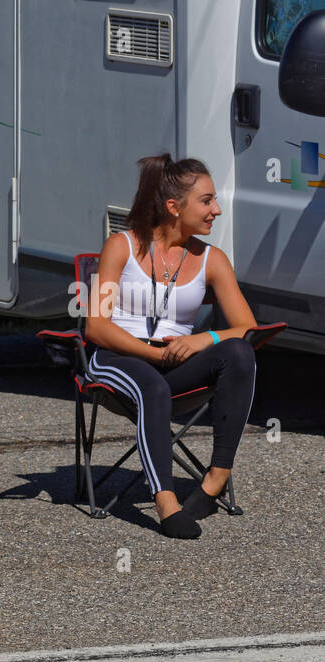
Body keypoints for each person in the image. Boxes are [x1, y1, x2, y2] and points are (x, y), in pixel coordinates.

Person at [85, 154, 259, 539]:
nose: (216, 209)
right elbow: (96, 325)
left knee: (240, 353)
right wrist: (150, 353)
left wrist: (202, 339)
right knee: (152, 385)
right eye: (207, 200)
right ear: (173, 207)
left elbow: (247, 328)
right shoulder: (122, 246)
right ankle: (166, 503)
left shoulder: (213, 259)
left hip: (175, 361)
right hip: (117, 358)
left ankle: (215, 479)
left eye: (214, 200)